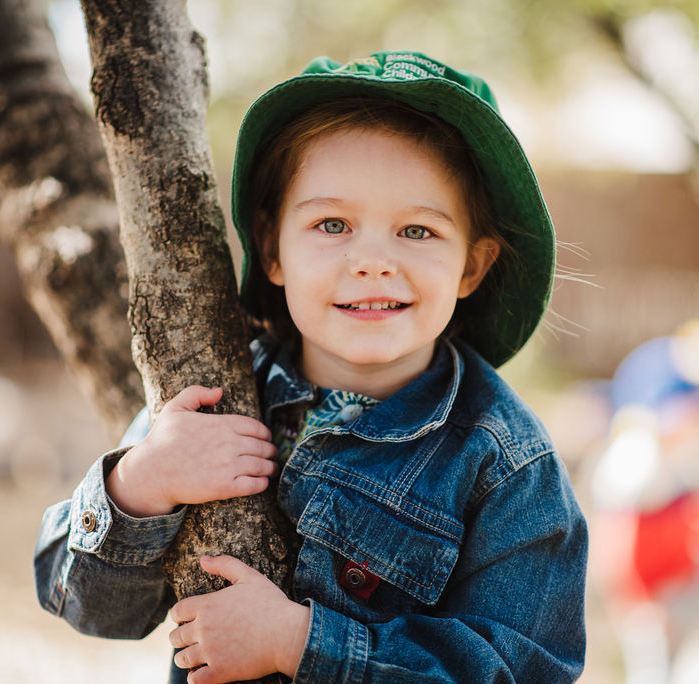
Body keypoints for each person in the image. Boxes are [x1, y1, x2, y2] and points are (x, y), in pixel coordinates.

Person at [35, 50, 588, 683]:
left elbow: (526, 669)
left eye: (417, 231)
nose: (373, 260)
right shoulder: (212, 396)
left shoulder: (507, 466)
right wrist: (141, 484)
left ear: (471, 266)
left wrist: (304, 642)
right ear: (272, 251)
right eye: (332, 223)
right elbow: (77, 598)